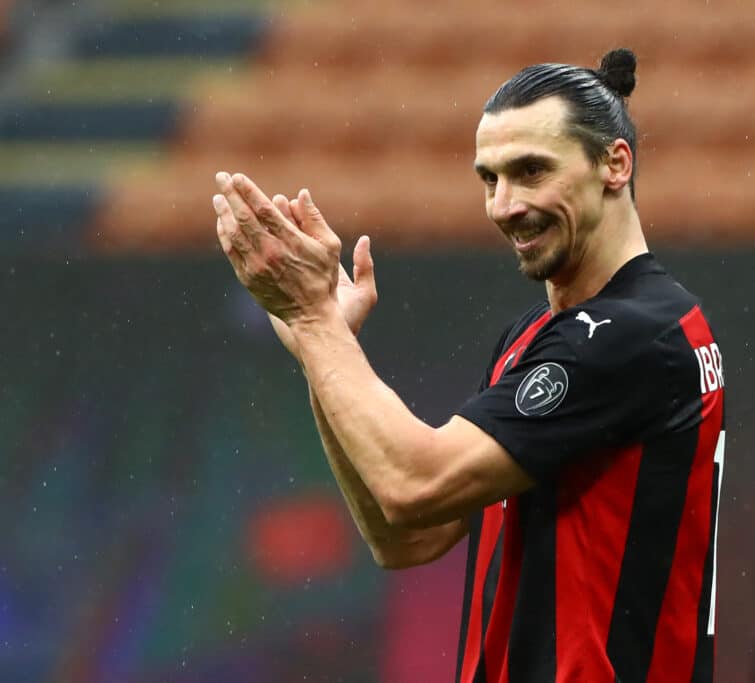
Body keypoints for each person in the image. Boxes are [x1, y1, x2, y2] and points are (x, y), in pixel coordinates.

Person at [212, 48, 726, 682]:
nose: (504, 206)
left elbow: (412, 486)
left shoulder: (630, 335)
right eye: (490, 178)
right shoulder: (543, 333)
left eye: (532, 171)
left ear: (614, 164)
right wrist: (326, 347)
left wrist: (319, 328)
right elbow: (407, 538)